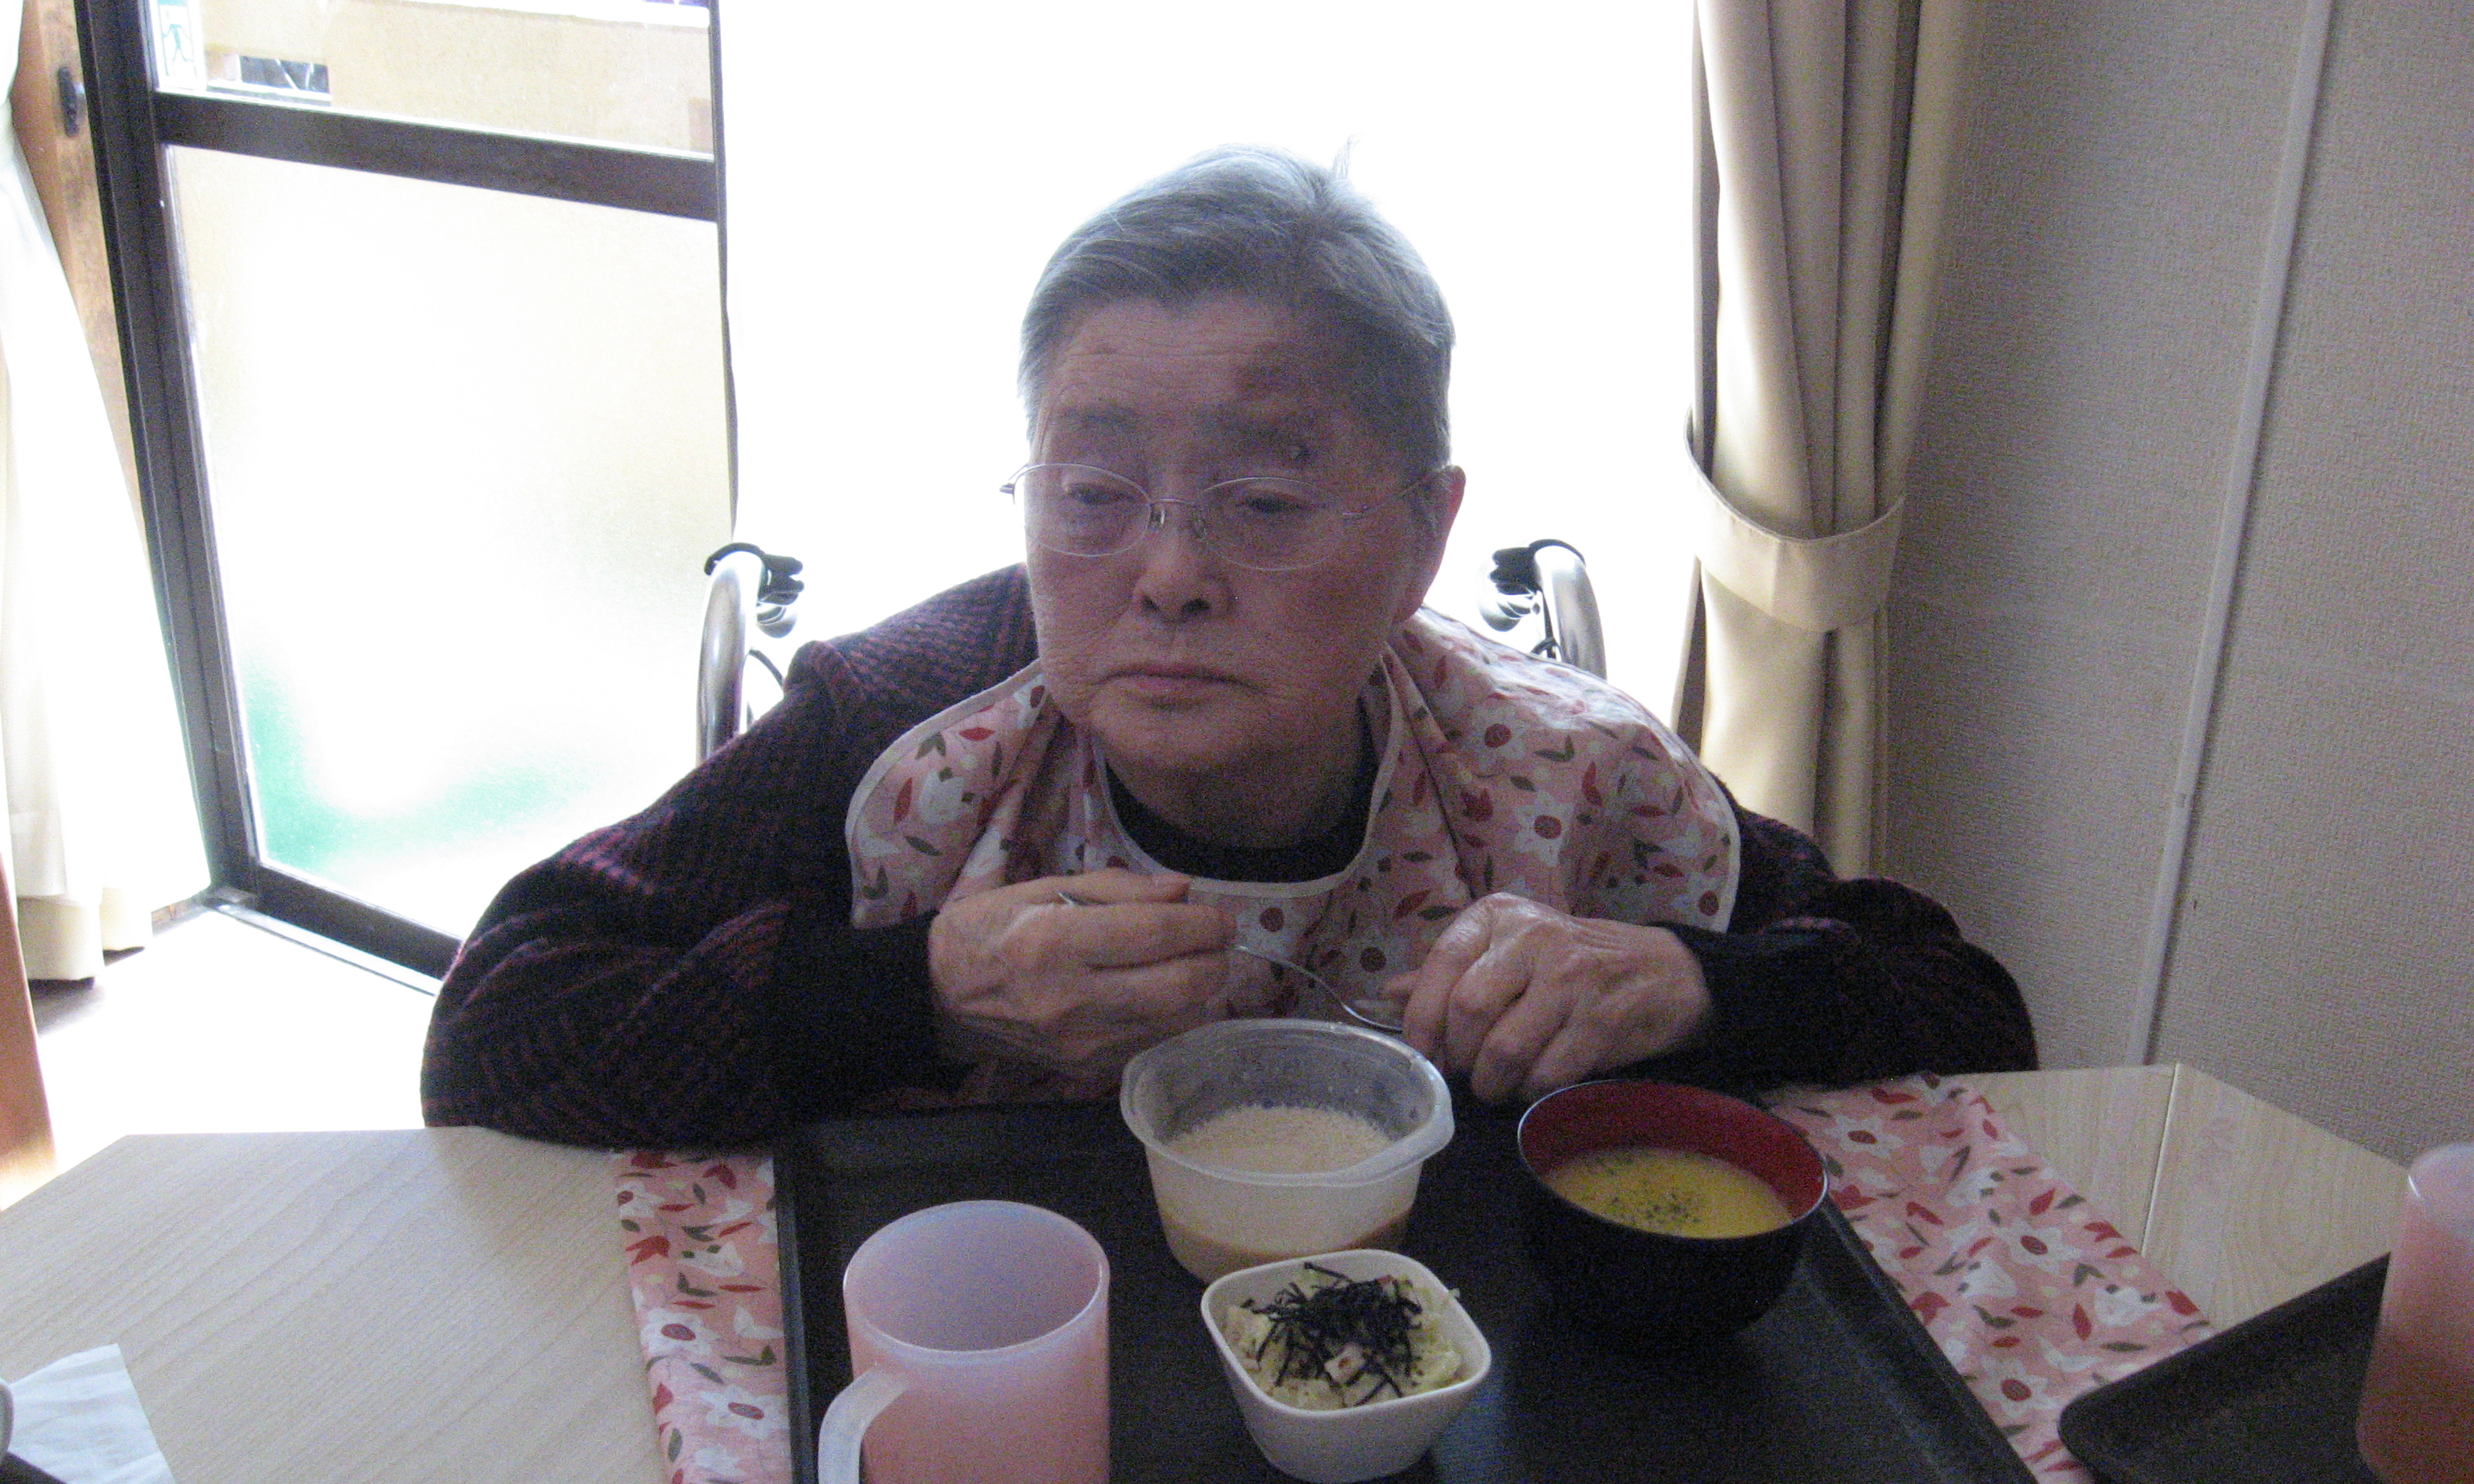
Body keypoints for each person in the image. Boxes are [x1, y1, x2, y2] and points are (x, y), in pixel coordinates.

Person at [421, 148, 2033, 1150]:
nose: (1170, 576)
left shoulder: (1563, 771)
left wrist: (1694, 988)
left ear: (1423, 537)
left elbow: (1965, 1012)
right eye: (1093, 494)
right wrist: (911, 993)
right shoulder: (899, 728)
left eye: (1263, 501)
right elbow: (501, 1031)